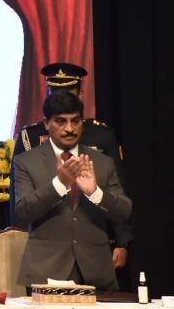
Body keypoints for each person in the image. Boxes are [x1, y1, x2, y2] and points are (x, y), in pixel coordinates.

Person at [13, 62, 129, 270]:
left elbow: (118, 193)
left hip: (93, 250)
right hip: (45, 252)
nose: (63, 101)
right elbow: (20, 203)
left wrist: (122, 241)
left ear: (80, 95)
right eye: (55, 94)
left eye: (68, 94)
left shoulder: (100, 134)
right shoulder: (29, 137)